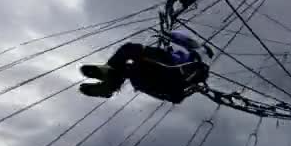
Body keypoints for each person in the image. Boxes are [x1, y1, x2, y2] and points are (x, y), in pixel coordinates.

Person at [79, 30, 213, 103]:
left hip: (166, 71)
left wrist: (168, 34)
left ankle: (109, 74)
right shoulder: (191, 70)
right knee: (130, 68)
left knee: (129, 50)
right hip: (155, 81)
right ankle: (110, 83)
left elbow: (185, 39)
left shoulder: (197, 58)